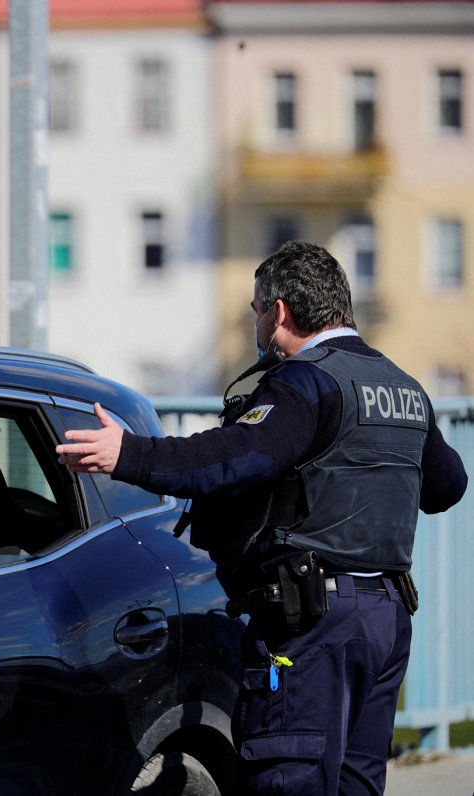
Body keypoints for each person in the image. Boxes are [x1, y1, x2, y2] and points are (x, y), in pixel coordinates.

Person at [56, 240, 467, 794]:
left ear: (278, 314)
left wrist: (127, 454)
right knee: (356, 783)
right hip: (385, 620)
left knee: (287, 777)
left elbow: (230, 458)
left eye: (255, 310)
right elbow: (448, 485)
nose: (255, 322)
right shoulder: (405, 388)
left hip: (312, 621)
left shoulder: (307, 383)